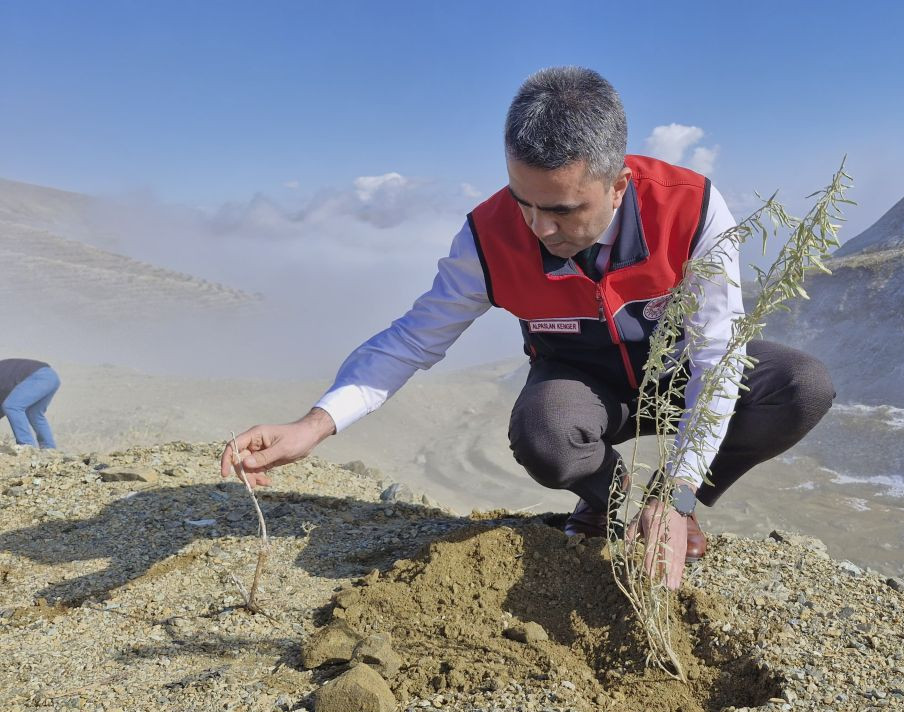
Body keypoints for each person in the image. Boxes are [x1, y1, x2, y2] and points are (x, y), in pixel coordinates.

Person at [220, 67, 834, 590]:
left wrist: (675, 492)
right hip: (580, 385)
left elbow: (715, 357)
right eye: (524, 201)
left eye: (564, 209)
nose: (539, 228)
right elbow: (412, 339)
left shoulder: (692, 209)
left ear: (619, 185)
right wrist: (312, 425)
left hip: (676, 373)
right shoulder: (486, 236)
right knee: (545, 433)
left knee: (801, 387)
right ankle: (612, 508)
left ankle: (672, 511)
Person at [0, 358, 60, 449]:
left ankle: (26, 446)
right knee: (34, 413)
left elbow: (7, 405)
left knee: (12, 406)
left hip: (39, 376)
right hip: (51, 376)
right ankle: (49, 449)